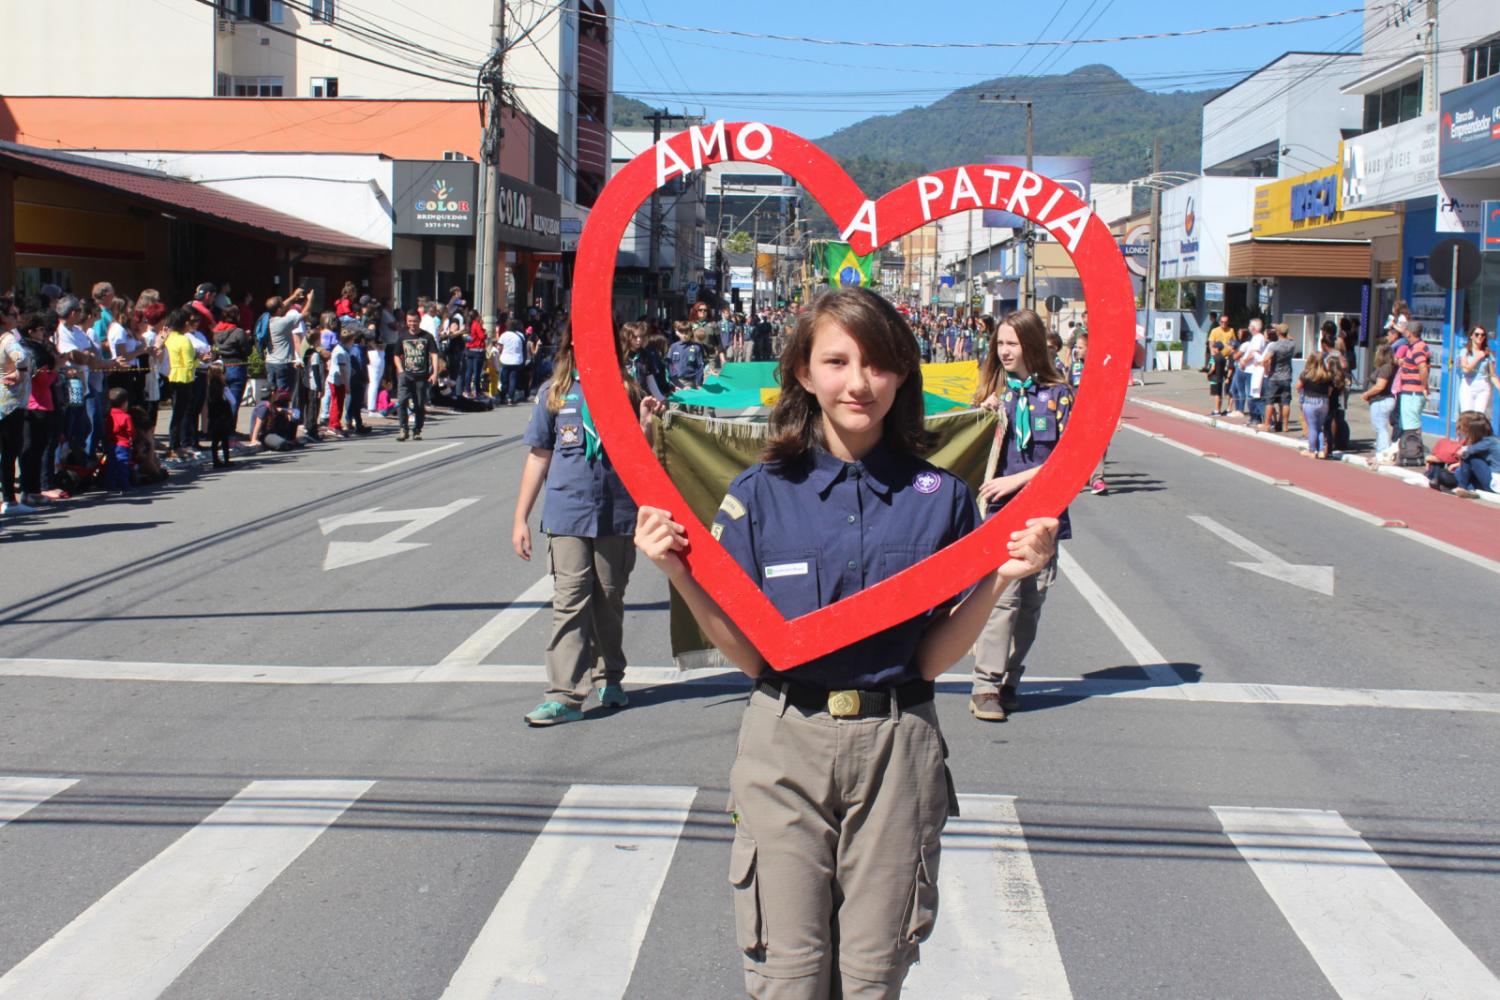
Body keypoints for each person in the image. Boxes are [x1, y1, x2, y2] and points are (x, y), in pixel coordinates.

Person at [634, 287, 1057, 997]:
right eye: (837, 361)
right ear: (802, 372)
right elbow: (749, 653)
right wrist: (679, 571)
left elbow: (929, 656)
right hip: (784, 739)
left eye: (879, 363)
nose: (858, 382)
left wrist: (998, 577)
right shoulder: (759, 493)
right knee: (788, 977)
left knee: (872, 976)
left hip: (899, 743)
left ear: (902, 375)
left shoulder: (942, 498)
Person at [513, 322, 663, 726]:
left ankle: (609, 676)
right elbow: (539, 456)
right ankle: (563, 694)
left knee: (610, 598)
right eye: (582, 336)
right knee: (570, 600)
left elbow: (641, 456)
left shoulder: (627, 391)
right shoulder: (555, 392)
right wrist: (520, 518)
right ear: (573, 342)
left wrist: (646, 421)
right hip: (568, 512)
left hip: (616, 510)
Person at [969, 308, 1073, 721]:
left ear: (1031, 345)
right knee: (1003, 599)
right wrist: (985, 413)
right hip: (1001, 513)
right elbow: (971, 446)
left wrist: (1020, 480)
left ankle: (1011, 679)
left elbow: (1071, 458)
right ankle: (986, 686)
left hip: (1045, 515)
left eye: (1012, 343)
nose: (1004, 351)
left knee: (1031, 602)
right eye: (1000, 343)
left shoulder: (1059, 393)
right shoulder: (995, 393)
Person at [0, 305, 34, 515]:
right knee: (10, 451)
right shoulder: (9, 339)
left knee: (5, 451)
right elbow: (20, 357)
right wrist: (21, 373)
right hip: (11, 402)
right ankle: (10, 500)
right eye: (13, 314)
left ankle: (8, 498)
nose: (17, 317)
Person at [394, 309, 438, 441]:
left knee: (419, 404)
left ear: (419, 321)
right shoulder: (402, 336)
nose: (412, 324)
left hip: (421, 376)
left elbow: (434, 355)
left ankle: (417, 429)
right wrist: (400, 370)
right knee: (402, 402)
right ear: (407, 322)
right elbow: (396, 355)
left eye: (415, 321)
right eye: (409, 321)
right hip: (405, 375)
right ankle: (403, 429)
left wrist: (435, 373)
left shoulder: (427, 337)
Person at [164, 309, 199, 461]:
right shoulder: (184, 340)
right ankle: (174, 446)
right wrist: (200, 360)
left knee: (176, 413)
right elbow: (189, 363)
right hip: (184, 378)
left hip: (170, 376)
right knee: (181, 413)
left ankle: (175, 445)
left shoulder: (169, 338)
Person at [264, 290, 310, 402]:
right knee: (283, 396)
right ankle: (280, 417)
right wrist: (310, 299)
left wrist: (293, 297)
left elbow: (278, 306)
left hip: (270, 362)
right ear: (279, 309)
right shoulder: (283, 322)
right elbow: (305, 314)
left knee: (272, 394)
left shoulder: (266, 319)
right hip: (283, 364)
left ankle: (270, 415)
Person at [1451, 410, 1500, 498]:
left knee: (1470, 457)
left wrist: (1458, 439)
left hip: (1495, 481)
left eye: (1463, 430)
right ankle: (1470, 490)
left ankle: (1461, 487)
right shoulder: (1490, 440)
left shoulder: (1489, 441)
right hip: (1491, 480)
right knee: (1460, 472)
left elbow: (1462, 452)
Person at [1362, 342, 1398, 458]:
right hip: (1382, 400)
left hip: (1381, 400)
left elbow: (1380, 386)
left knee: (1380, 427)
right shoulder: (1389, 366)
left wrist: (1367, 394)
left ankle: (1382, 452)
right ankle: (1381, 450)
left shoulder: (1386, 368)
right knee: (1380, 426)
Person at [1296, 351, 1335, 458]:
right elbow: (1329, 392)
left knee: (1312, 427)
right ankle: (1322, 450)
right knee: (1319, 427)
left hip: (1310, 401)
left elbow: (1298, 386)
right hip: (1324, 401)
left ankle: (1312, 450)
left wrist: (1302, 392)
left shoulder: (1306, 374)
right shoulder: (1327, 375)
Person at [1395, 320, 1431, 432]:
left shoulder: (1417, 348)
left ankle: (1413, 447)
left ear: (1409, 333)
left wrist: (1424, 386)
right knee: (1412, 424)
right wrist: (1405, 362)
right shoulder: (1417, 346)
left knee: (1411, 427)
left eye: (1405, 331)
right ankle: (1414, 446)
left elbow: (1423, 367)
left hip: (1412, 393)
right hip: (1412, 392)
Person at [1260, 323, 1296, 433]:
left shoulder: (1274, 345)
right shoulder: (1292, 344)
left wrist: (1267, 370)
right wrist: (1281, 329)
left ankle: (1267, 424)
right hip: (1287, 376)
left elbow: (1265, 360)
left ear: (1278, 333)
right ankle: (1285, 426)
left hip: (1274, 377)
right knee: (1285, 402)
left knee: (1269, 402)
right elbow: (1290, 337)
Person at [102, 387, 134, 491]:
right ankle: (125, 485)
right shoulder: (126, 417)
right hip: (122, 444)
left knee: (110, 465)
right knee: (123, 465)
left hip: (111, 443)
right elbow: (131, 431)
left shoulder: (109, 415)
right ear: (124, 403)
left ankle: (110, 485)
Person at [1457, 326, 1493, 418]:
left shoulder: (1488, 353)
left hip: (1483, 387)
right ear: (1471, 336)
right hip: (1468, 386)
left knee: (1479, 418)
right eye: (1477, 334)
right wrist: (1478, 357)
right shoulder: (1465, 351)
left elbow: (1493, 375)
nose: (1480, 336)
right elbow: (1465, 369)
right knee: (1467, 417)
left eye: (1482, 335)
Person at [666, 320, 707, 389]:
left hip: (690, 381)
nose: (684, 335)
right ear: (677, 333)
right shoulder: (674, 347)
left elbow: (700, 366)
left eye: (687, 333)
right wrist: (673, 381)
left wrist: (698, 383)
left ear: (691, 332)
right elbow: (669, 365)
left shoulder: (696, 347)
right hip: (675, 381)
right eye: (682, 333)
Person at [497, 321, 527, 405]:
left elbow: (499, 347)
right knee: (513, 379)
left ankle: (503, 398)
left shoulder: (504, 335)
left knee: (504, 380)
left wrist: (500, 353)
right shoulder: (520, 335)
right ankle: (510, 398)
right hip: (516, 360)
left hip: (505, 360)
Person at [1207, 340, 1230, 416]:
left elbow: (1213, 367)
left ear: (1217, 348)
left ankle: (1216, 410)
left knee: (1216, 394)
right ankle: (1219, 409)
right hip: (1220, 377)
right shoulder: (1223, 358)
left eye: (1214, 347)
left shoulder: (1213, 357)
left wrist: (1208, 373)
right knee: (1219, 394)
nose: (1213, 349)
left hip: (1214, 377)